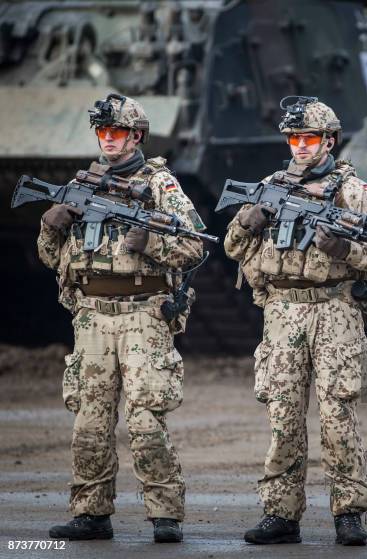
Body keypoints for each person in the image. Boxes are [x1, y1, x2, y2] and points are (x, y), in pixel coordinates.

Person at [224, 96, 367, 546]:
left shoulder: (354, 192)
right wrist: (248, 220)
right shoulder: (270, 184)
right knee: (283, 416)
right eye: (295, 138)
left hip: (336, 309)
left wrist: (346, 251)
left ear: (330, 140)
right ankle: (281, 514)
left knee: (338, 415)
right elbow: (232, 247)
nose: (301, 146)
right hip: (282, 311)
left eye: (310, 139)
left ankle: (349, 513)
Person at [38, 93, 204, 543]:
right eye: (103, 133)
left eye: (117, 133)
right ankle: (90, 512)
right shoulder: (83, 182)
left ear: (136, 136)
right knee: (89, 420)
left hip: (143, 314)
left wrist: (150, 243)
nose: (109, 141)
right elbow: (53, 258)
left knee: (147, 419)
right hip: (91, 316)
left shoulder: (160, 185)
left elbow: (194, 246)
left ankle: (165, 514)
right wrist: (51, 225)